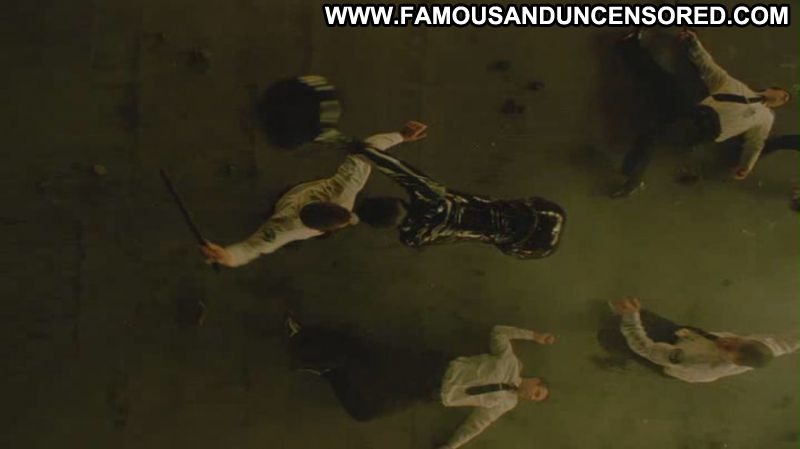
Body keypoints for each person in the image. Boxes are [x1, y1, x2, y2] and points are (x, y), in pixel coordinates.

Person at [285, 316, 555, 449]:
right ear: (535, 380)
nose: (531, 396)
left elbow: (477, 424)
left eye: (535, 399)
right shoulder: (509, 361)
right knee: (366, 352)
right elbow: (499, 332)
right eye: (537, 391)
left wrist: (450, 446)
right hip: (432, 369)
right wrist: (534, 336)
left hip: (429, 394)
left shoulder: (506, 404)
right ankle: (305, 334)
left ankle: (329, 372)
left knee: (365, 412)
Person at [199, 121, 428, 267]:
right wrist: (228, 257)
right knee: (287, 241)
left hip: (291, 196)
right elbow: (252, 248)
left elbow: (368, 148)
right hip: (288, 209)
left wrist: (401, 135)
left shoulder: (343, 191)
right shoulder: (286, 227)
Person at [613, 29, 791, 197]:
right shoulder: (735, 86)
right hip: (695, 111)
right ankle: (629, 45)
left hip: (703, 130)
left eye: (784, 101)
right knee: (663, 81)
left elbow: (756, 143)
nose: (782, 99)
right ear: (771, 89)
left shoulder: (765, 117)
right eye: (783, 95)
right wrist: (693, 42)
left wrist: (746, 166)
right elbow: (708, 65)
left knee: (651, 135)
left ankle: (632, 180)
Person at [350, 130, 566, 259]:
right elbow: (396, 169)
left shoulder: (433, 200)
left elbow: (396, 168)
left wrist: (355, 146)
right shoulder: (414, 237)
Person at [610, 297, 800, 383]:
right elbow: (787, 343)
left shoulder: (693, 360)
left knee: (619, 339)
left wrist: (631, 318)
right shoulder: (761, 349)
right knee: (646, 319)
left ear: (734, 362)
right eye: (735, 339)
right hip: (690, 337)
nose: (724, 341)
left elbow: (645, 347)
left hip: (675, 353)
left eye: (728, 349)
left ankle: (620, 351)